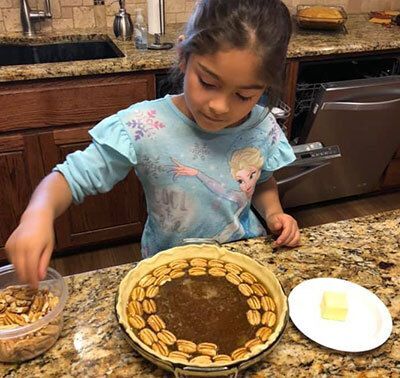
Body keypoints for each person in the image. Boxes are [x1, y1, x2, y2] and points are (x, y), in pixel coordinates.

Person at [5, 0, 300, 288]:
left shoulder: (261, 126)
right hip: (168, 268)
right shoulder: (144, 125)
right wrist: (38, 213)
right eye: (208, 83)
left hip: (241, 259)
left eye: (244, 96)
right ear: (184, 57)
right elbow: (71, 177)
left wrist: (273, 213)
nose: (220, 106)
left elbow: (262, 181)